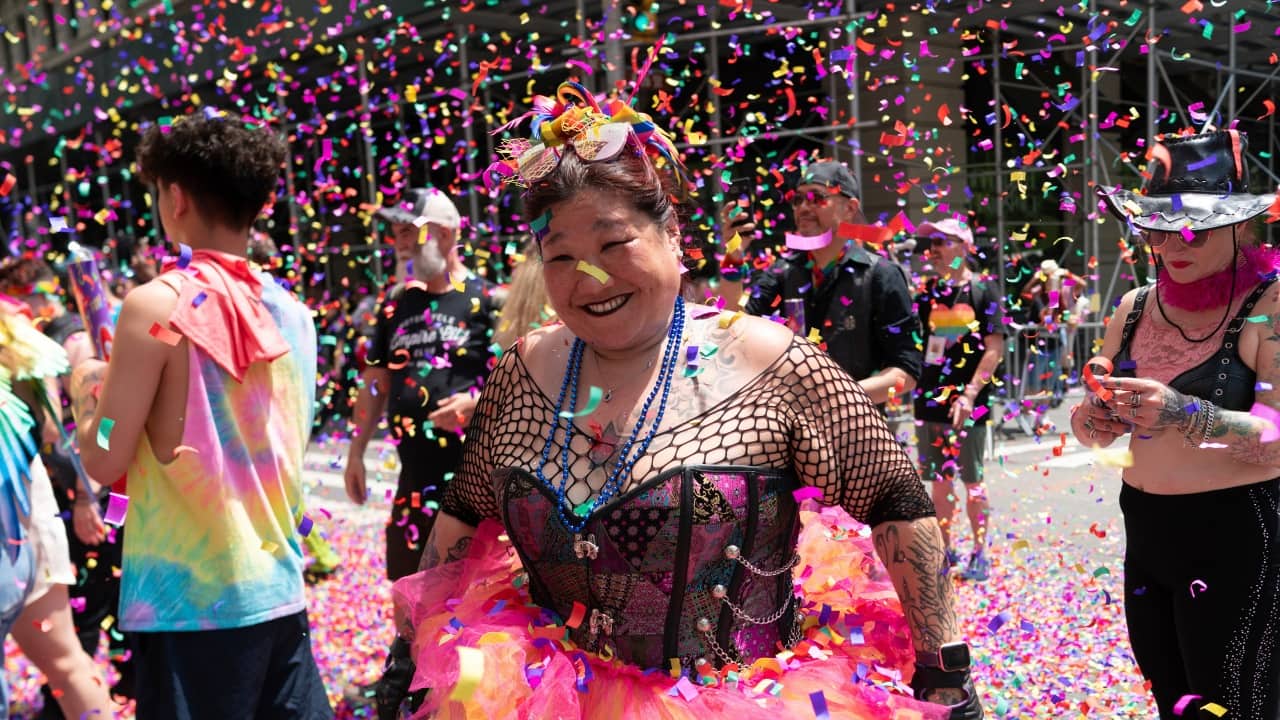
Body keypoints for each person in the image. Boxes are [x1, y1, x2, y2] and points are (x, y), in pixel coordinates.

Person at [393, 80, 983, 719]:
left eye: (614, 244)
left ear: (671, 235)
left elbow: (897, 500)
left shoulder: (773, 361)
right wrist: (417, 656)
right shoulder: (525, 369)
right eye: (560, 256)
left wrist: (944, 672)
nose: (589, 279)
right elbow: (463, 508)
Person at [66, 112, 331, 719]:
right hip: (279, 595)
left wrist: (88, 388)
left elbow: (105, 454)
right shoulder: (294, 312)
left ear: (176, 197)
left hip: (189, 608)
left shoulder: (155, 306)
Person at [1078, 128, 1280, 718]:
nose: (1173, 242)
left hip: (1235, 539)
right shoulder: (1135, 305)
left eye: (1193, 225)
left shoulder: (1270, 306)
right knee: (1175, 703)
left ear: (1241, 225)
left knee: (1236, 706)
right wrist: (1096, 415)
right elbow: (1089, 430)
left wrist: (1181, 411)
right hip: (1146, 536)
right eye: (1159, 227)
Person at [342, 187, 499, 718]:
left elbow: (521, 383)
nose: (400, 241)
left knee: (477, 582)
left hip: (476, 478)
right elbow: (374, 382)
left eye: (410, 229)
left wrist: (477, 403)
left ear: (447, 232)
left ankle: (467, 685)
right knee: (408, 578)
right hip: (415, 473)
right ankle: (411, 670)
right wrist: (355, 450)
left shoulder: (487, 301)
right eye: (398, 231)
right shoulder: (394, 304)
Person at [718, 159, 922, 413]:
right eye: (798, 200)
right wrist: (734, 255)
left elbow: (906, 372)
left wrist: (836, 398)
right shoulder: (783, 273)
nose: (804, 207)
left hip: (857, 435)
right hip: (792, 436)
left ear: (850, 208)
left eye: (816, 197)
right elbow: (734, 328)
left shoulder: (881, 275)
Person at [912, 218, 1005, 582]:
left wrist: (968, 395)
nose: (932, 249)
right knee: (939, 480)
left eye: (942, 241)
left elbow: (994, 350)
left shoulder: (986, 291)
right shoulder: (926, 293)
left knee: (973, 480)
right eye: (930, 243)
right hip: (931, 399)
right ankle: (945, 549)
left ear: (964, 246)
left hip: (970, 403)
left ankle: (980, 552)